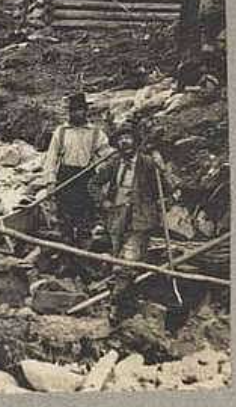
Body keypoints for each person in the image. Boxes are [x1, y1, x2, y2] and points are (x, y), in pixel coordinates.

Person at [98, 122, 170, 323]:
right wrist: (104, 202)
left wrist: (161, 169)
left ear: (135, 141)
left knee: (126, 263)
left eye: (128, 138)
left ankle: (115, 308)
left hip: (141, 220)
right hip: (117, 219)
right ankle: (128, 304)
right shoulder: (113, 164)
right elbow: (93, 184)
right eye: (120, 139)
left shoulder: (147, 164)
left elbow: (164, 190)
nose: (124, 142)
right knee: (118, 261)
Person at [43, 92, 113, 247]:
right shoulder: (61, 132)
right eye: (73, 110)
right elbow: (51, 159)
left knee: (85, 220)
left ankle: (83, 250)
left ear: (86, 111)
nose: (76, 113)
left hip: (86, 179)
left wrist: (103, 178)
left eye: (80, 110)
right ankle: (65, 251)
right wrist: (50, 182)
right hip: (66, 178)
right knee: (65, 220)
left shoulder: (96, 133)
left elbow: (107, 158)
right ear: (69, 112)